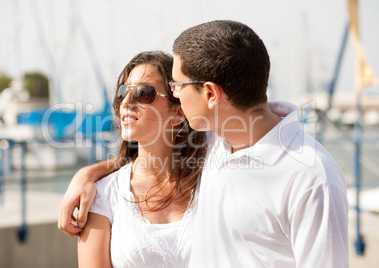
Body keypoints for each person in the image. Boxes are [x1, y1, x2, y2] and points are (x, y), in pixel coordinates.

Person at [59, 20, 349, 267]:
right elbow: (152, 153)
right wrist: (86, 175)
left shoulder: (311, 178)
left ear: (210, 94)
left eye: (177, 86)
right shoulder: (218, 141)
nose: (175, 95)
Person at [77, 51, 207, 267]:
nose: (126, 103)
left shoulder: (210, 178)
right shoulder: (104, 195)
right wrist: (85, 175)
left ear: (178, 113)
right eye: (122, 93)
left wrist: (87, 173)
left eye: (143, 93)